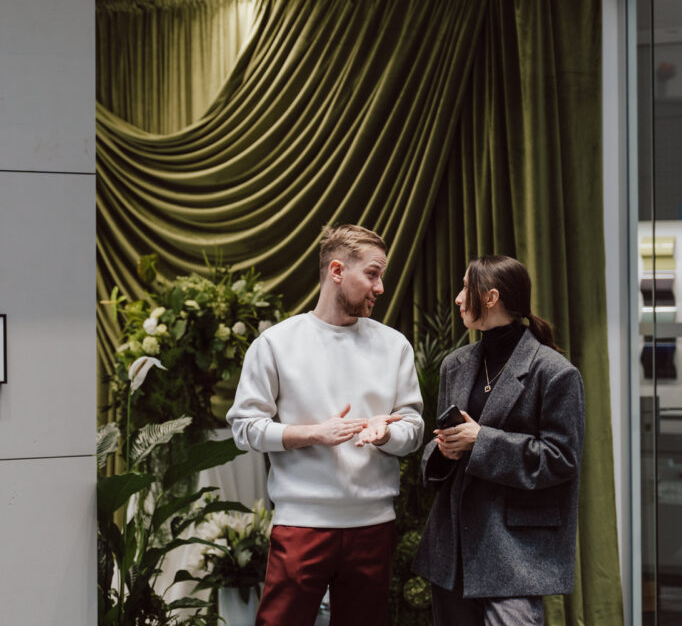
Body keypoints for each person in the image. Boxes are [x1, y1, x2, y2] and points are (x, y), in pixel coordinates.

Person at [227, 224, 424, 625]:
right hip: (302, 524)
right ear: (337, 271)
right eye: (372, 274)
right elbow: (244, 427)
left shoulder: (394, 345)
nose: (380, 286)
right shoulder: (276, 344)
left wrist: (387, 434)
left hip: (373, 525)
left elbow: (414, 428)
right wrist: (312, 433)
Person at [413, 256, 584, 626]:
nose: (458, 299)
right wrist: (444, 450)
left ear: (490, 297)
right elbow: (441, 443)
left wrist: (482, 441)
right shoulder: (454, 365)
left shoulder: (555, 373)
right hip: (452, 553)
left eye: (465, 288)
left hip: (514, 555)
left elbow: (562, 458)